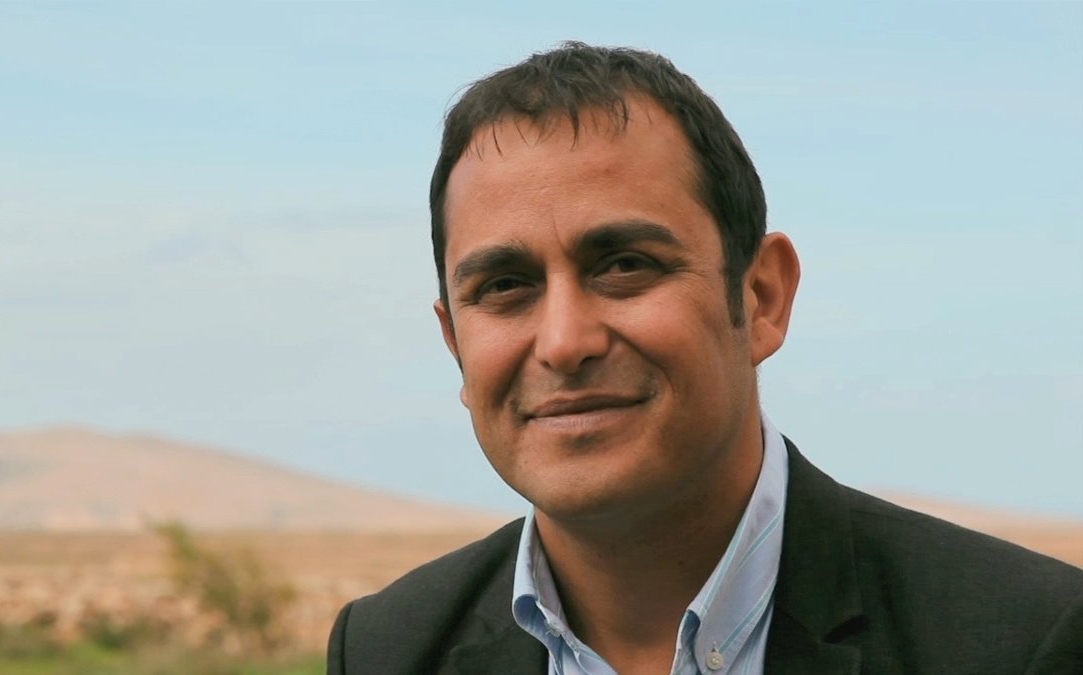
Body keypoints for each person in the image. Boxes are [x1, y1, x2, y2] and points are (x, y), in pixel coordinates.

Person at [327, 42, 1083, 675]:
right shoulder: (387, 650)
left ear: (761, 298)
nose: (563, 342)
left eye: (625, 265)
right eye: (505, 286)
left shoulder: (1023, 641)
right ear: (455, 343)